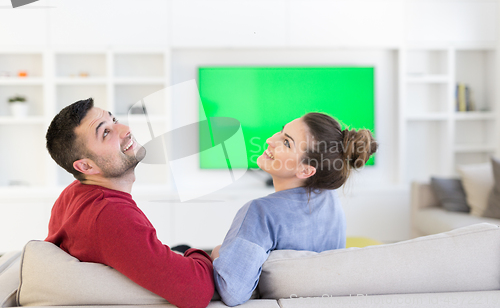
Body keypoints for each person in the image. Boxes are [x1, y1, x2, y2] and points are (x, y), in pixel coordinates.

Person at [44, 98, 214, 308]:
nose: (125, 129)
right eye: (105, 133)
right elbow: (197, 292)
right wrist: (206, 255)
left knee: (181, 248)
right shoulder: (109, 215)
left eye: (113, 120)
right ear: (86, 167)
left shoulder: (74, 192)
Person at [211, 112, 378, 306]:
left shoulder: (260, 213)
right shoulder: (331, 199)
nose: (270, 140)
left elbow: (233, 292)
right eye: (281, 132)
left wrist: (218, 252)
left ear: (306, 170)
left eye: (287, 142)